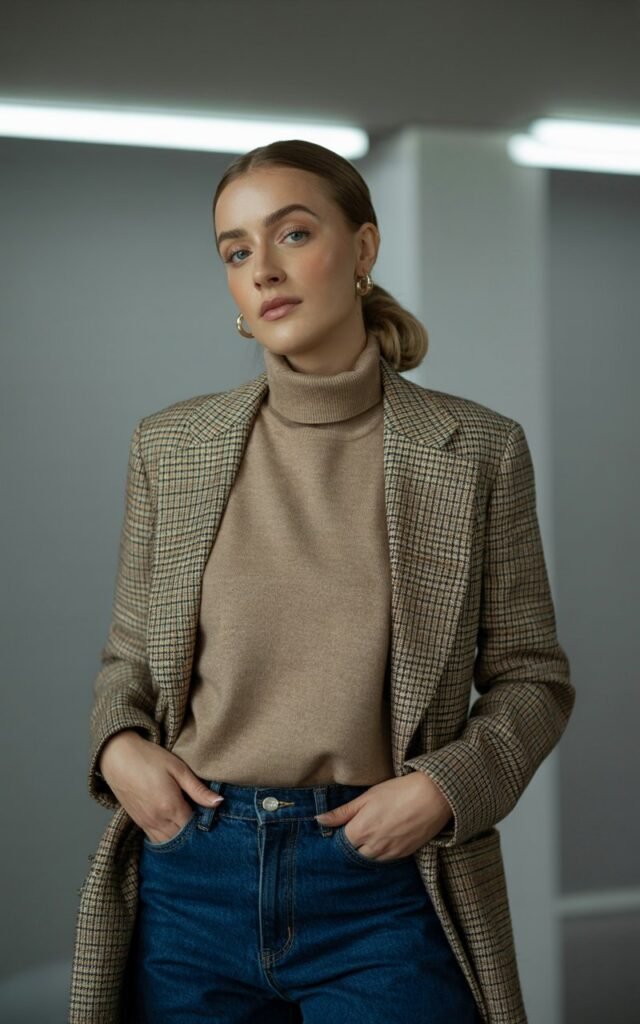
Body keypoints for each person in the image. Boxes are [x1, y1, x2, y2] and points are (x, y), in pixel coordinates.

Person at [70, 139, 575, 1024]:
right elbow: (129, 660)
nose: (262, 268)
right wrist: (119, 751)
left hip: (383, 881)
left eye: (292, 234)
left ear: (365, 250)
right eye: (236, 251)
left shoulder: (477, 450)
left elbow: (533, 676)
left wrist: (444, 788)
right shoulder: (171, 447)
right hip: (193, 874)